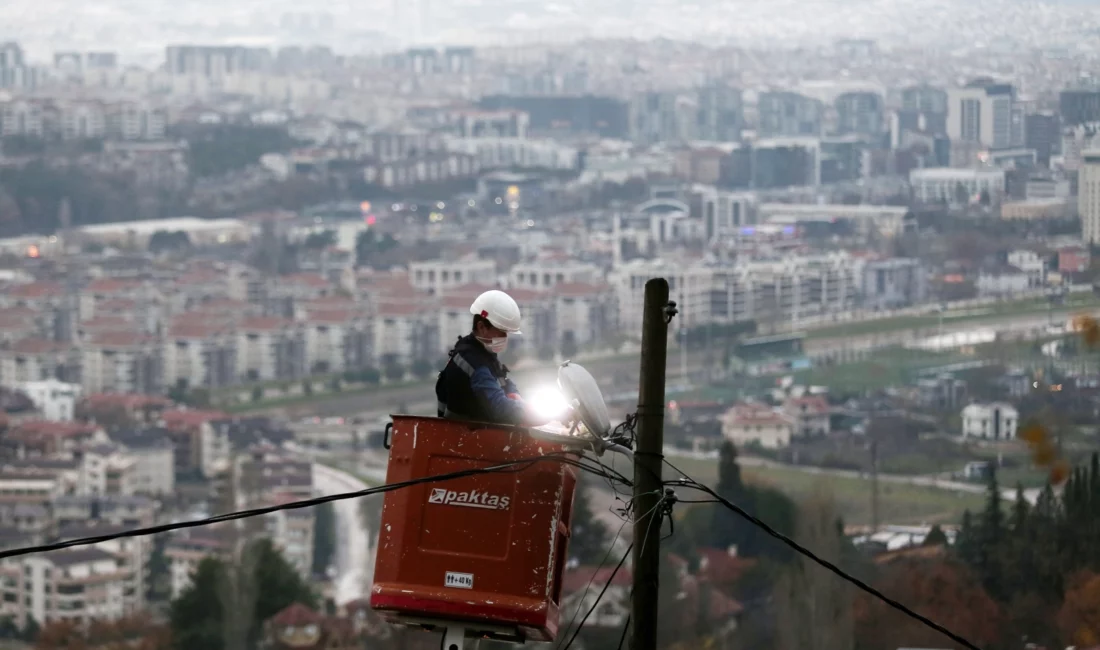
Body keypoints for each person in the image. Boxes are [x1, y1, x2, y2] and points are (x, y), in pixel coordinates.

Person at [435, 289, 546, 426]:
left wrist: (516, 397)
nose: (505, 338)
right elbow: (500, 408)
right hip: (464, 439)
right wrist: (545, 415)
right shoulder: (472, 361)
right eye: (502, 332)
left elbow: (504, 382)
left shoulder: (483, 354)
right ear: (482, 327)